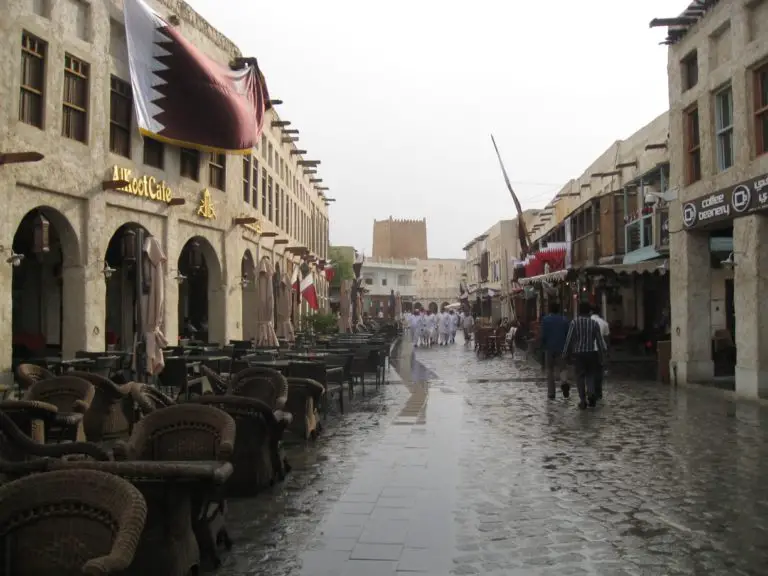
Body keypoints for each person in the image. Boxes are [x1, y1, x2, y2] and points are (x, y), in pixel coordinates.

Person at [563, 302, 606, 409]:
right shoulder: (593, 323)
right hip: (591, 353)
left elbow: (569, 339)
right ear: (589, 312)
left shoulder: (574, 323)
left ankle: (583, 400)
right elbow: (600, 341)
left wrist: (565, 353)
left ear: (579, 311)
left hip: (579, 354)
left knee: (580, 376)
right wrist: (602, 353)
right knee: (590, 374)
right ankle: (591, 393)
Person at [540, 303, 571, 399]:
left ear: (550, 310)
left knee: (550, 370)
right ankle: (564, 382)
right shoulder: (564, 320)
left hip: (549, 348)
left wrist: (543, 345)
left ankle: (551, 393)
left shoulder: (545, 320)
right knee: (563, 368)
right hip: (561, 347)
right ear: (559, 310)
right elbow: (568, 334)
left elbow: (543, 335)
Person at [590, 306, 610, 400]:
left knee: (590, 370)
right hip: (600, 349)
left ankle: (591, 390)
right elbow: (606, 338)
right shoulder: (604, 323)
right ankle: (598, 391)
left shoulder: (588, 321)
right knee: (599, 371)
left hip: (589, 349)